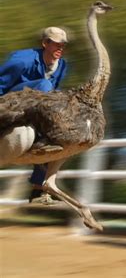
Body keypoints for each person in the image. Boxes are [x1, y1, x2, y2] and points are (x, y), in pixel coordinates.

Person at [0, 26, 69, 204]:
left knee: (55, 131)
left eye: (62, 45)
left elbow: (55, 92)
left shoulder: (62, 66)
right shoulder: (21, 60)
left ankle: (39, 189)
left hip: (37, 105)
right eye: (56, 44)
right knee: (45, 86)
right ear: (45, 43)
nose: (60, 49)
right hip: (10, 100)